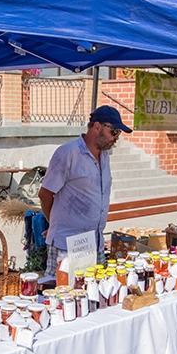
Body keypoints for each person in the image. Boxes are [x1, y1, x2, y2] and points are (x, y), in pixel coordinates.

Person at [38, 105, 132, 279]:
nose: (116, 137)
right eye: (114, 131)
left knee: (94, 298)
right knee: (63, 296)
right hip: (67, 244)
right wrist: (54, 223)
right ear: (97, 126)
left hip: (94, 243)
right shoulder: (68, 153)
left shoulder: (104, 156)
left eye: (118, 133)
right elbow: (45, 194)